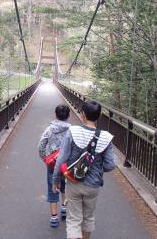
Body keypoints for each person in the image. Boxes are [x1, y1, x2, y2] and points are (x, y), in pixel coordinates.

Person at [52, 100, 115, 239]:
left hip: (73, 182)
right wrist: (97, 168)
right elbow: (110, 165)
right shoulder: (106, 137)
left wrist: (55, 179)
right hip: (93, 185)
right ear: (99, 116)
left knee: (74, 219)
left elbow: (62, 158)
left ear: (83, 114)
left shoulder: (72, 131)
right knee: (88, 218)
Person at [38, 104, 71, 227]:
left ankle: (54, 217)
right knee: (65, 185)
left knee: (53, 187)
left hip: (52, 163)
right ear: (68, 116)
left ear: (55, 114)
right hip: (66, 163)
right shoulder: (72, 130)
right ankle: (64, 208)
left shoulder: (49, 129)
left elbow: (41, 146)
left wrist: (45, 158)